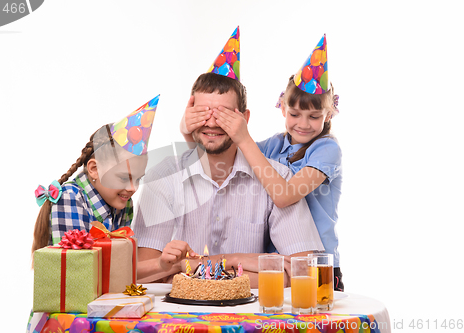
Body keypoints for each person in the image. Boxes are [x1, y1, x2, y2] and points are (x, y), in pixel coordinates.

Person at [182, 35, 344, 291]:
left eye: (314, 116)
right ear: (281, 108)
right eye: (294, 114)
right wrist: (188, 132)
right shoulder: (273, 146)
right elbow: (224, 158)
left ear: (329, 114)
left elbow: (285, 195)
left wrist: (243, 135)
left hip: (316, 262)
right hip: (274, 258)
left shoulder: (326, 149)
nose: (303, 124)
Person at [133, 73, 325, 288]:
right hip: (179, 316)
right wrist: (235, 262)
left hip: (250, 316)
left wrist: (185, 269)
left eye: (224, 114)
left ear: (245, 119)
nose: (213, 122)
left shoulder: (277, 179)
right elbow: (145, 276)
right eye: (203, 113)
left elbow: (303, 272)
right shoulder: (163, 176)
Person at [31, 96, 196, 280]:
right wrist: (159, 265)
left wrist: (164, 265)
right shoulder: (70, 199)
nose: (133, 188)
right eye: (124, 178)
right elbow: (78, 274)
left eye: (138, 179)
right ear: (94, 169)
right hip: (68, 308)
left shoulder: (123, 205)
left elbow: (120, 269)